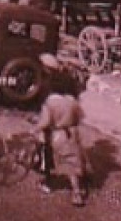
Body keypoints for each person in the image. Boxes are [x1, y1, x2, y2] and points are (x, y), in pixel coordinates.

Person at [34, 54, 90, 206]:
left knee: (48, 157)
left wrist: (35, 128)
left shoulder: (50, 102)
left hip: (56, 134)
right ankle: (77, 192)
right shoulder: (72, 102)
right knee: (73, 163)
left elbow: (45, 122)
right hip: (72, 133)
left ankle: (48, 183)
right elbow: (80, 117)